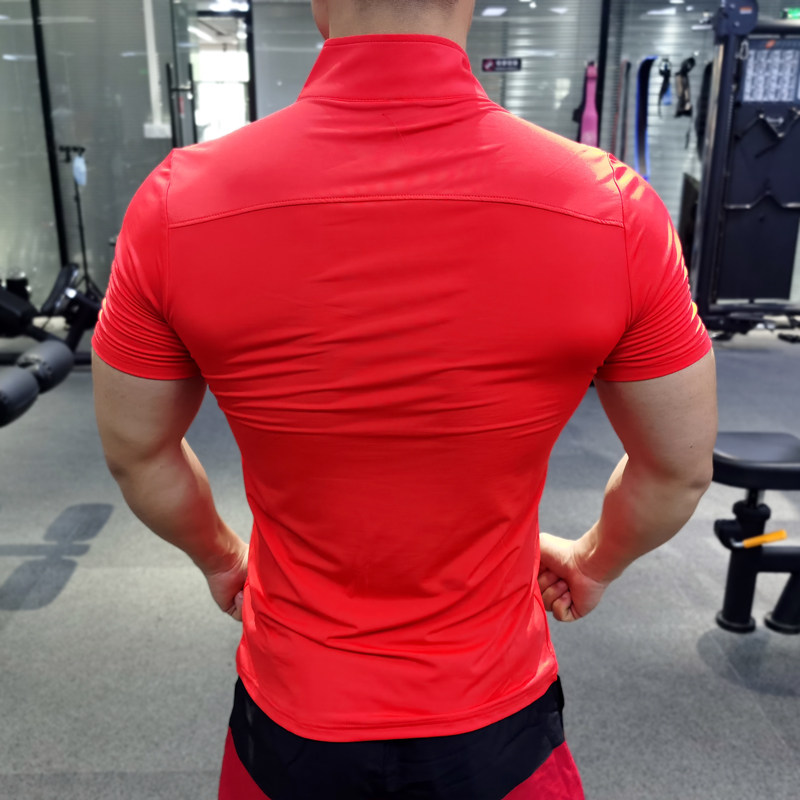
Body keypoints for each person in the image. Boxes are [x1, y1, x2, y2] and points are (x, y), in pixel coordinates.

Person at [91, 0, 718, 798]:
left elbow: (136, 453)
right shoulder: (614, 207)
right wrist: (595, 562)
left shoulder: (177, 201)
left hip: (294, 711)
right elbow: (677, 470)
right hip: (494, 719)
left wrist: (222, 559)